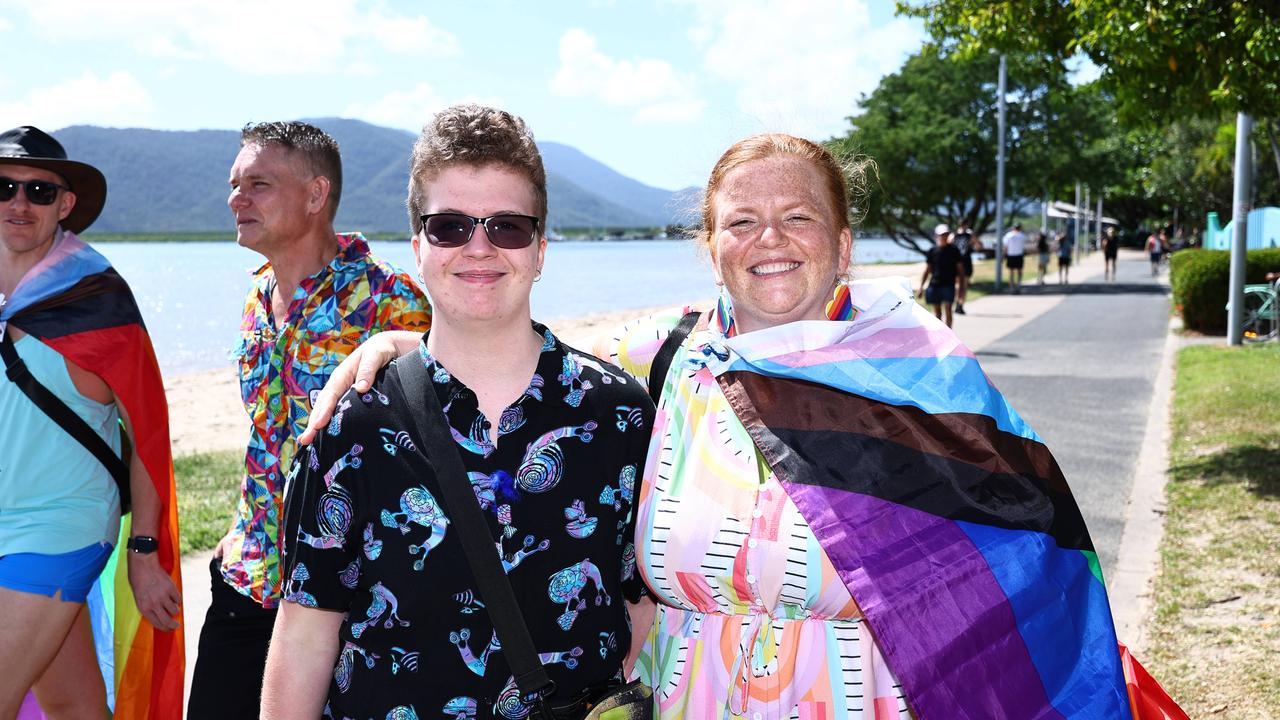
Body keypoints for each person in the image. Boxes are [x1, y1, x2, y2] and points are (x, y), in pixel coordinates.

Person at [303, 132, 1189, 719]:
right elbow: (509, 347)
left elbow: (1027, 568)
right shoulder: (666, 357)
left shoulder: (925, 373)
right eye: (743, 221)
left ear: (842, 243)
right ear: (712, 246)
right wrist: (399, 342)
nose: (772, 237)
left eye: (799, 216)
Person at [261, 105, 654, 720]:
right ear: (418, 247)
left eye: (508, 227)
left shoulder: (620, 414)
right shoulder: (354, 424)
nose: (478, 248)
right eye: (449, 227)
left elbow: (640, 607)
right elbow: (306, 632)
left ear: (541, 248)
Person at [188, 121, 431, 719]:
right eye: (234, 184)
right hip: (249, 574)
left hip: (343, 598)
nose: (235, 199)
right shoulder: (256, 297)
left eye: (258, 184)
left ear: (316, 195)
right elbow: (267, 434)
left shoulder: (388, 301)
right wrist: (243, 526)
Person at [0, 126, 183, 717]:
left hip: (59, 528)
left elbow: (149, 433)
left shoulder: (96, 297)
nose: (19, 203)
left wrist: (144, 549)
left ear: (66, 204)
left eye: (38, 190)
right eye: (3, 188)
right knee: (75, 709)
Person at [918, 223, 964, 327]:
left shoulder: (954, 250)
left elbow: (960, 270)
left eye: (946, 234)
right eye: (942, 234)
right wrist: (921, 286)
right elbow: (927, 270)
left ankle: (949, 334)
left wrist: (960, 287)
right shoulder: (932, 250)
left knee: (948, 309)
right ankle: (940, 335)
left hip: (949, 284)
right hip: (935, 284)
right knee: (937, 313)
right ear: (936, 236)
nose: (944, 236)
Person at [951, 219, 979, 314]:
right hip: (964, 262)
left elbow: (948, 245)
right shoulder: (969, 235)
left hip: (956, 262)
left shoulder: (954, 235)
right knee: (963, 285)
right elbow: (978, 246)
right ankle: (960, 304)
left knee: (958, 285)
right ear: (966, 225)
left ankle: (957, 304)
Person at [1001, 222, 1027, 293]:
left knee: (1011, 272)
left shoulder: (1008, 235)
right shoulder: (1022, 235)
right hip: (1019, 255)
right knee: (1019, 271)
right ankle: (1018, 285)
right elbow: (1024, 246)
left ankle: (1012, 287)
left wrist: (1003, 256)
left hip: (1011, 255)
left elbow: (1005, 247)